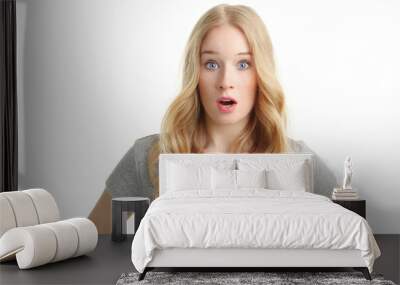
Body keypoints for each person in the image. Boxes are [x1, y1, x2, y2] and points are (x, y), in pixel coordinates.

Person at [88, 4, 336, 234]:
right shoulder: (148, 156)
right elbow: (93, 244)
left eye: (243, 64)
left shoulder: (300, 160)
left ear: (261, 72)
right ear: (194, 73)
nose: (226, 82)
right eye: (211, 64)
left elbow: (345, 241)